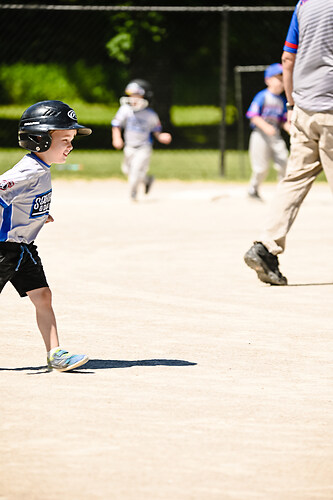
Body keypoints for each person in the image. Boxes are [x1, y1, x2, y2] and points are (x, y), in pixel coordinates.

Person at [244, 0, 333, 285]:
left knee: (294, 178)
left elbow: (288, 59)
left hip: (305, 110)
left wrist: (292, 104)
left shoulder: (304, 4)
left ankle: (266, 247)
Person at [0, 100, 92, 370]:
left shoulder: (40, 169)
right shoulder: (28, 170)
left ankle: (56, 353)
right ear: (38, 140)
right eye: (64, 139)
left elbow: (20, 202)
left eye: (71, 139)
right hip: (4, 249)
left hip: (24, 248)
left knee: (42, 296)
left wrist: (37, 215)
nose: (70, 146)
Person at [111, 79, 172, 201]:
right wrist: (116, 138)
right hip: (129, 146)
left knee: (136, 170)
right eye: (131, 95)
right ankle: (147, 180)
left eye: (137, 95)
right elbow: (116, 125)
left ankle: (133, 194)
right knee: (127, 170)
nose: (134, 99)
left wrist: (161, 136)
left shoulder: (150, 115)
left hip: (144, 147)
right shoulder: (125, 110)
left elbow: (156, 130)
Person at [246, 63, 290, 200]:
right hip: (260, 135)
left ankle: (283, 192)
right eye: (278, 78)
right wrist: (265, 127)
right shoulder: (262, 96)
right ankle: (253, 189)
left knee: (284, 161)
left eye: (283, 80)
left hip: (275, 136)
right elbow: (253, 115)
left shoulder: (283, 100)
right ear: (268, 80)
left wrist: (290, 129)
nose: (281, 83)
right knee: (261, 167)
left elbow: (283, 121)